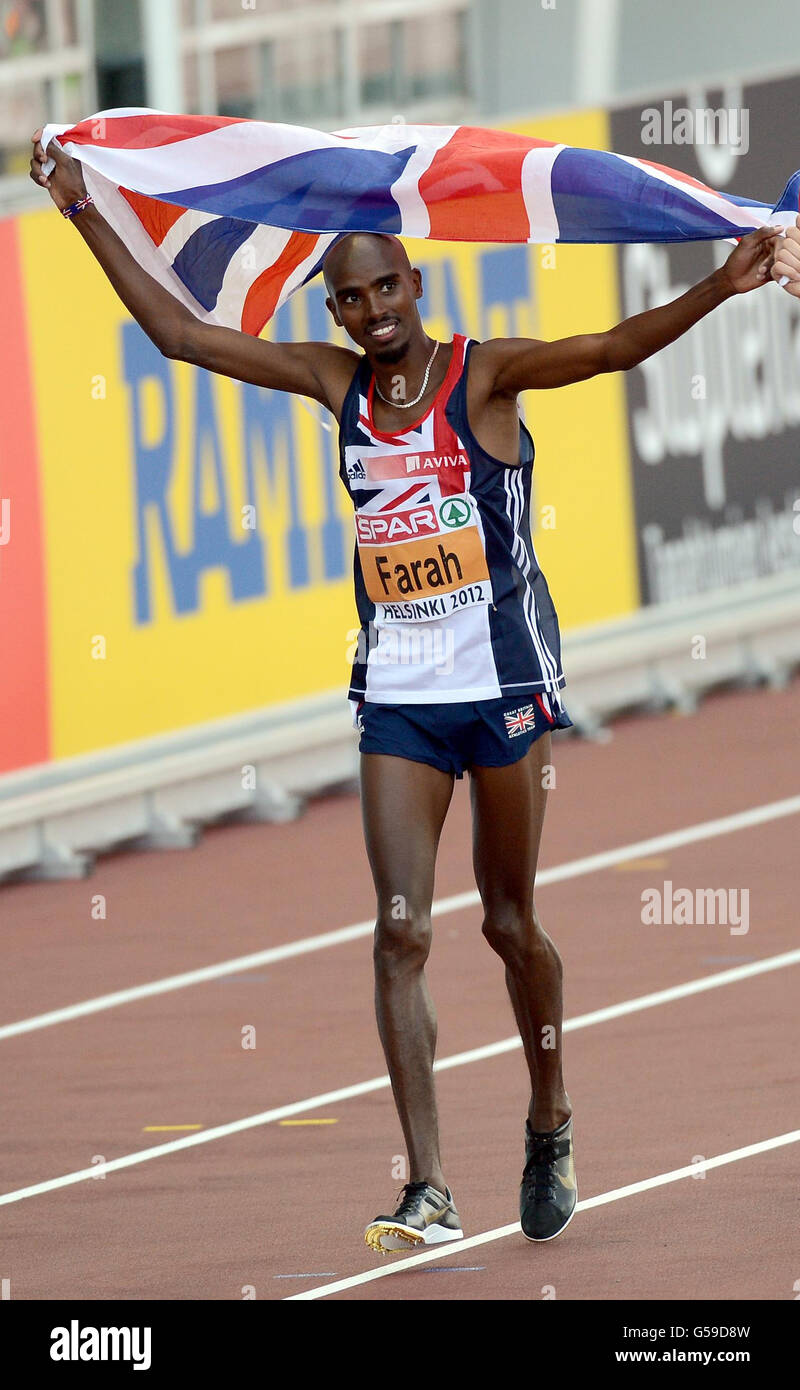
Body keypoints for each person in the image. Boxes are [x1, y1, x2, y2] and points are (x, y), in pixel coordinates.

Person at [30, 129, 796, 1253]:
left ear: (415, 287)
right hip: (397, 694)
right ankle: (428, 1184)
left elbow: (607, 347)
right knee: (398, 934)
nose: (373, 309)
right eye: (351, 297)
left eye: (387, 286)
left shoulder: (482, 373)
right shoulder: (333, 383)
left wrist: (719, 287)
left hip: (502, 685)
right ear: (335, 313)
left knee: (506, 920)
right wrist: (83, 208)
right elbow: (182, 335)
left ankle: (549, 1117)